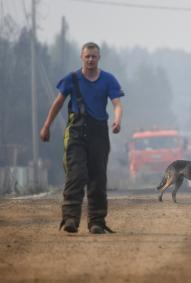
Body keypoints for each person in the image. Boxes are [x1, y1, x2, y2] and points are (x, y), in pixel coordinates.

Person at [40, 42, 124, 234]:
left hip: (99, 134)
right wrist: (46, 126)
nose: (90, 59)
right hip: (76, 133)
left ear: (99, 58)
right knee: (76, 175)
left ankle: (96, 222)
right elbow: (58, 103)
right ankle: (70, 219)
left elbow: (117, 104)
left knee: (98, 178)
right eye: (87, 56)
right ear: (82, 57)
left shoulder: (108, 79)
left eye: (94, 56)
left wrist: (117, 121)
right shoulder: (72, 79)